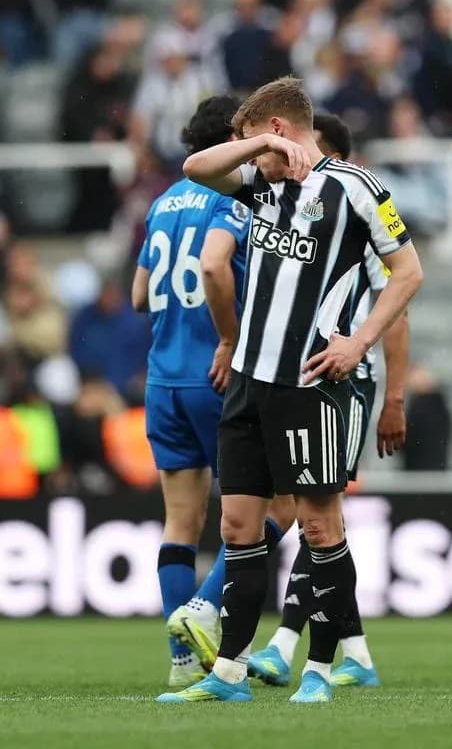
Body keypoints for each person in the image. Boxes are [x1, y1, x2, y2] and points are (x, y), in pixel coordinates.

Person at [157, 76, 422, 704]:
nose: (249, 156)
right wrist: (253, 151)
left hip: (313, 384)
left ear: (279, 129)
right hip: (249, 379)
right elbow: (195, 168)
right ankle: (228, 674)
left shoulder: (359, 190)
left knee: (320, 527)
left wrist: (358, 343)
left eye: (254, 141)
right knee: (239, 527)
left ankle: (320, 672)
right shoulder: (262, 184)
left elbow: (408, 272)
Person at [244, 112, 409, 690]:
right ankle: (356, 654)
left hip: (349, 380)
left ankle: (288, 643)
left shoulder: (354, 212)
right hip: (304, 377)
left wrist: (395, 398)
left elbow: (399, 307)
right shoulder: (295, 206)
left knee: (316, 518)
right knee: (310, 516)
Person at [131, 95, 254, 687]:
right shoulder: (234, 201)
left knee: (179, 522)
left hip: (163, 380)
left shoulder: (160, 204)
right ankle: (205, 608)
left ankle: (180, 663)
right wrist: (228, 335)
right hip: (217, 374)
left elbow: (137, 295)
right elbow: (213, 269)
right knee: (265, 509)